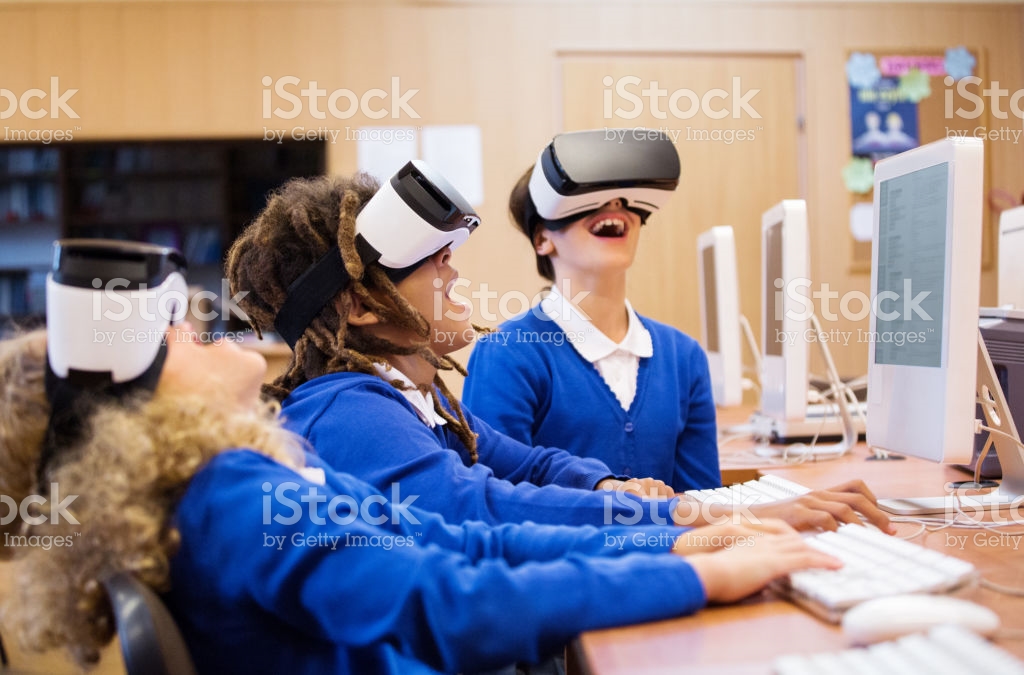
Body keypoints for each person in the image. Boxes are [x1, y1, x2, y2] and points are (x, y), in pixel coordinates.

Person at [0, 239, 841, 674]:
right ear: (135, 408)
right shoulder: (233, 499)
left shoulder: (231, 484)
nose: (204, 325)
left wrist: (670, 539)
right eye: (178, 331)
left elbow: (460, 543)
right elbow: (449, 597)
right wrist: (693, 572)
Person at [229, 160, 893, 534]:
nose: (454, 274)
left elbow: (527, 464)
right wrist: (680, 519)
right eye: (435, 264)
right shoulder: (347, 410)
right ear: (363, 303)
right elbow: (481, 505)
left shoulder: (415, 402)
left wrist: (615, 485)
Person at [463, 130, 892, 531]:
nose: (614, 207)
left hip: (678, 566)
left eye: (624, 200)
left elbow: (703, 501)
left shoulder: (682, 357)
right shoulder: (507, 353)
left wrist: (770, 519)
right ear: (543, 240)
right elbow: (502, 509)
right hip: (570, 582)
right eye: (590, 200)